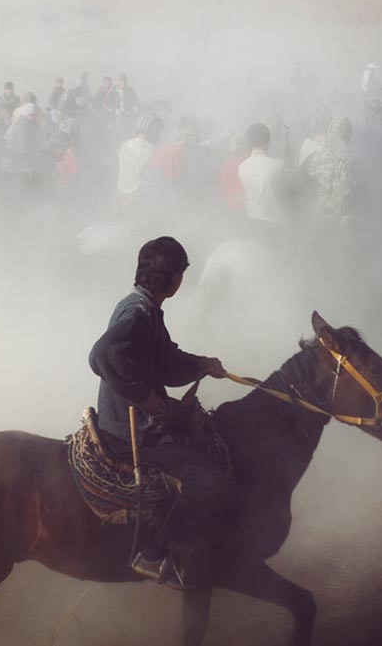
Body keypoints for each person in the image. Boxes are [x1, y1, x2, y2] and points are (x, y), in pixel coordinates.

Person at [89, 236, 227, 587]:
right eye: (181, 273)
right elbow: (102, 355)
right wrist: (142, 394)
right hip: (130, 431)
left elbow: (166, 363)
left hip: (139, 423)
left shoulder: (146, 309)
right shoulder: (137, 313)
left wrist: (200, 365)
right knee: (204, 477)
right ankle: (155, 556)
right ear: (173, 278)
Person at [307, 116, 359, 229]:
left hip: (319, 216)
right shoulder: (352, 161)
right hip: (338, 219)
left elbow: (308, 185)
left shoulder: (318, 155)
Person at [237, 122, 284, 224]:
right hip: (275, 222)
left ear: (249, 142)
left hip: (252, 221)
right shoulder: (278, 166)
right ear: (268, 141)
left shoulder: (242, 166)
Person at [117, 112, 163, 201]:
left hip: (121, 193)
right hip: (139, 196)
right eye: (158, 129)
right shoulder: (151, 150)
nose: (159, 134)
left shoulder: (126, 145)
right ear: (148, 129)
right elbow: (148, 175)